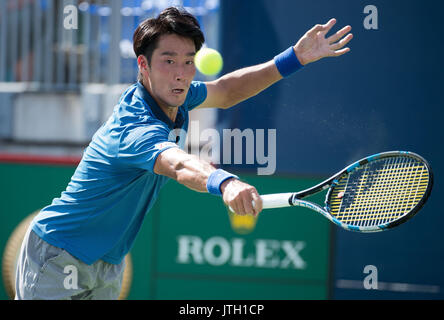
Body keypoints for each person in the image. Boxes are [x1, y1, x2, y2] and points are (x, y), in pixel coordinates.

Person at [15, 7, 352, 300]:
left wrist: (295, 57)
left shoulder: (177, 96)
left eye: (189, 61)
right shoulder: (134, 127)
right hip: (58, 257)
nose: (181, 72)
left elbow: (227, 90)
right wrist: (225, 182)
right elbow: (178, 164)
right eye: (169, 61)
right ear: (143, 65)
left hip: (108, 263)